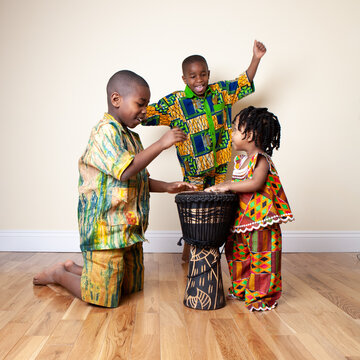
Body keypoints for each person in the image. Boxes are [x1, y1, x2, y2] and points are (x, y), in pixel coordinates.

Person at [33, 70, 195, 308]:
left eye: (147, 105)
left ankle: (75, 268)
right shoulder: (104, 132)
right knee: (103, 298)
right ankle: (59, 274)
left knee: (130, 287)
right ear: (116, 99)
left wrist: (169, 187)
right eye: (140, 104)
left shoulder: (132, 138)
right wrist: (161, 143)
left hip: (129, 229)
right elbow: (126, 170)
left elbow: (137, 179)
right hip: (105, 231)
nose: (144, 111)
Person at [143, 40, 267, 261]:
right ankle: (187, 255)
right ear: (184, 79)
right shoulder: (175, 103)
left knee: (217, 211)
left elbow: (244, 82)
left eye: (202, 74)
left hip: (220, 166)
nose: (199, 80)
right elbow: (145, 115)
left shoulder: (220, 93)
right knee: (195, 212)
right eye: (193, 76)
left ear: (208, 74)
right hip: (195, 171)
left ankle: (210, 255)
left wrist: (256, 58)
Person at [205, 106, 294, 311]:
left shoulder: (261, 159)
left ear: (251, 134)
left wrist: (226, 185)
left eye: (236, 129)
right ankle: (243, 287)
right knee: (238, 255)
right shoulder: (240, 161)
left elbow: (255, 184)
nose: (232, 134)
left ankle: (262, 295)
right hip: (242, 221)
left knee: (262, 257)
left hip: (261, 221)